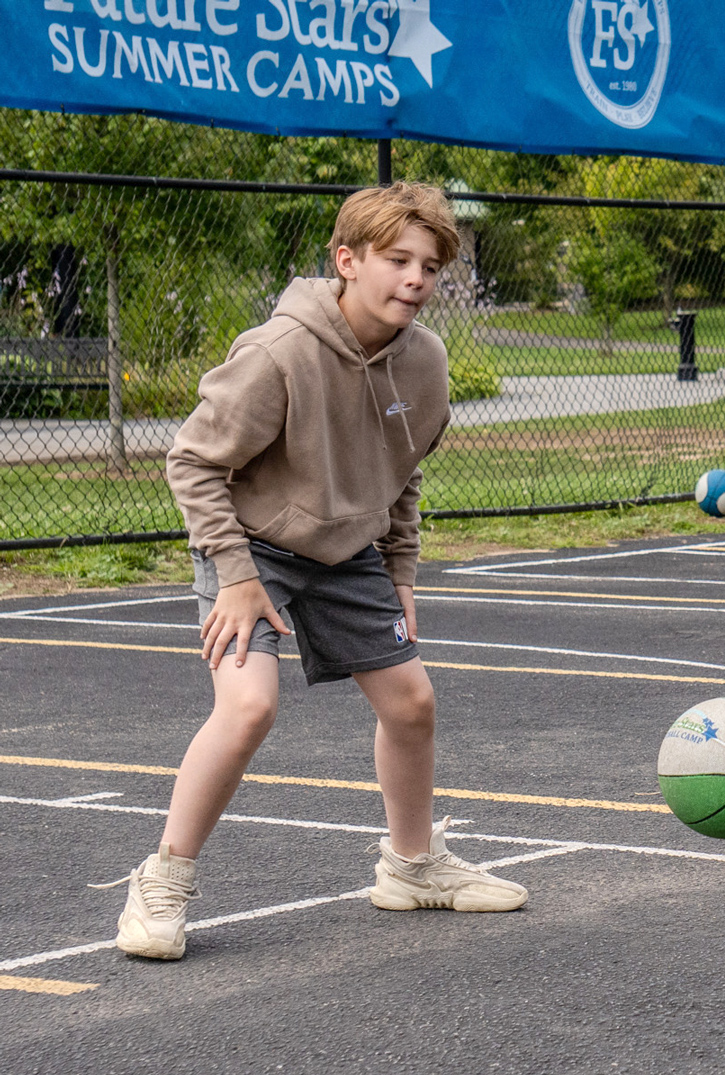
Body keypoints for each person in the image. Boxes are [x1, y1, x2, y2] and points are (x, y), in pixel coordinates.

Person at [96, 182, 527, 961]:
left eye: (430, 267)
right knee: (249, 707)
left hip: (348, 550)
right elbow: (192, 463)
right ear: (347, 260)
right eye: (397, 260)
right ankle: (161, 880)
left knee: (412, 703)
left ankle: (411, 866)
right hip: (250, 546)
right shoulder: (279, 353)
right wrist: (235, 576)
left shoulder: (425, 362)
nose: (415, 279)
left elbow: (404, 472)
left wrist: (400, 573)